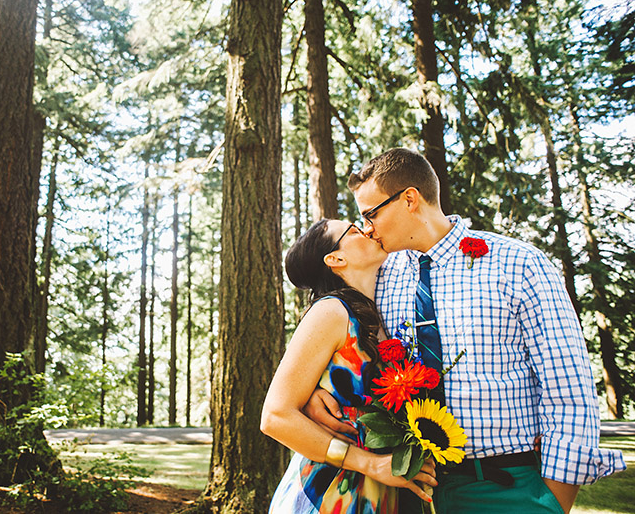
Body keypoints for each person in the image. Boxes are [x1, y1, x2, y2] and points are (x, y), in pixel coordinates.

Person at [304, 148, 626, 513]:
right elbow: (337, 337)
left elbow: (568, 390)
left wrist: (551, 501)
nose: (367, 228)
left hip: (507, 486)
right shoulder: (379, 277)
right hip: (412, 489)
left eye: (370, 214)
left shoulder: (518, 265)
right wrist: (317, 391)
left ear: (409, 199)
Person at [261, 218, 438, 514]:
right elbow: (275, 417)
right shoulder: (330, 312)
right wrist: (370, 463)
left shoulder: (375, 318)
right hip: (328, 494)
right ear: (335, 258)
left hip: (377, 495)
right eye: (355, 230)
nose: (367, 229)